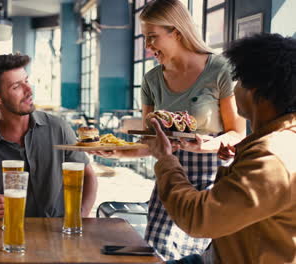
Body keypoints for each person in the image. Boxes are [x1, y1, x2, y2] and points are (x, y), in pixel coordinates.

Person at [93, 0, 246, 259]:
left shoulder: (219, 69)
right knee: (156, 254)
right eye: (145, 37)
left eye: (152, 37)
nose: (147, 46)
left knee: (203, 258)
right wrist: (118, 153)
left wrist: (205, 145)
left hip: (212, 185)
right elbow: (152, 143)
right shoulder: (151, 80)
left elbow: (237, 134)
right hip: (168, 182)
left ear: (176, 32)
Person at [145, 33, 296, 264]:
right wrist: (235, 159)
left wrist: (166, 160)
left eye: (240, 81)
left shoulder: (270, 158)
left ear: (256, 92)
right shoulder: (277, 143)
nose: (234, 90)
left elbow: (199, 218)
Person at [0, 53, 98, 219]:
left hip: (60, 236)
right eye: (16, 86)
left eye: (26, 80)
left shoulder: (58, 128)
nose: (29, 90)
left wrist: (80, 217)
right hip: (11, 239)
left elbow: (88, 176)